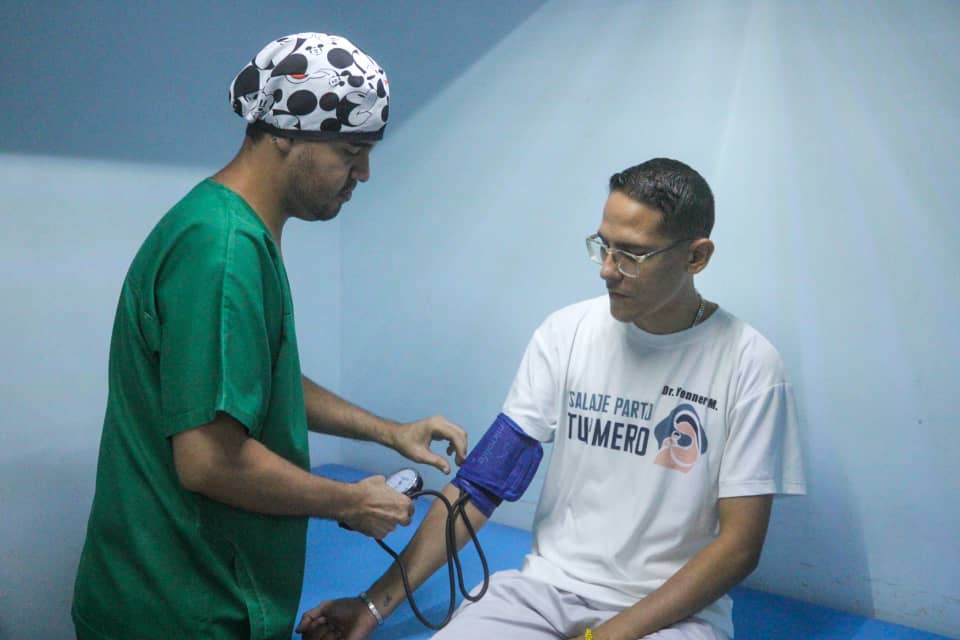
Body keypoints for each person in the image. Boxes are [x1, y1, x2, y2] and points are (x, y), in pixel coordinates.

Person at [297, 158, 806, 640]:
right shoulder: (566, 334)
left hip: (673, 614)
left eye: (632, 255)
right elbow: (482, 485)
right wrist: (371, 605)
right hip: (545, 592)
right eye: (603, 247)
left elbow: (738, 548)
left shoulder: (749, 365)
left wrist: (601, 637)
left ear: (696, 256)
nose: (607, 270)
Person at [71, 32, 467, 640]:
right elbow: (210, 461)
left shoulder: (235, 231)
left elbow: (257, 382)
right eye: (351, 150)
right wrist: (351, 501)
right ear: (285, 132)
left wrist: (390, 432)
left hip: (194, 593)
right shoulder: (223, 252)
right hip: (179, 609)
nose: (364, 172)